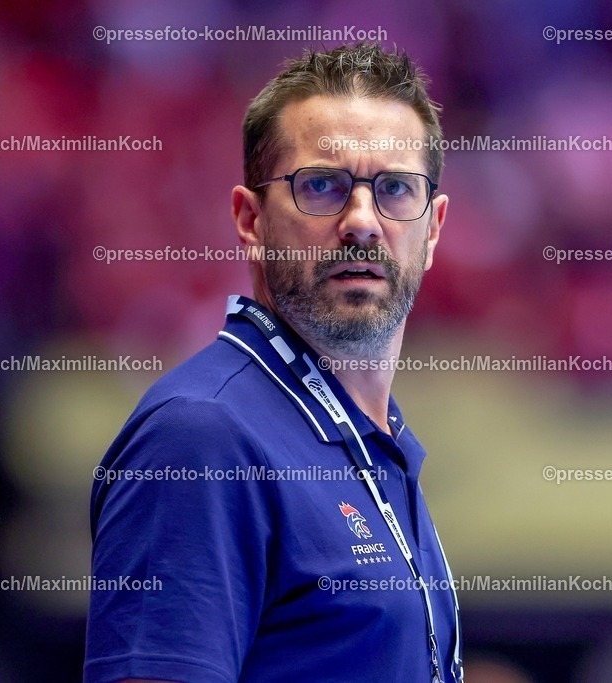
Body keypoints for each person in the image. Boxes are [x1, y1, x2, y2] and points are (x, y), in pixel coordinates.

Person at [85, 42, 462, 683]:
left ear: (432, 229)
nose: (363, 222)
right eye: (322, 186)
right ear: (250, 220)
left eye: (396, 189)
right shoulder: (202, 437)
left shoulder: (372, 442)